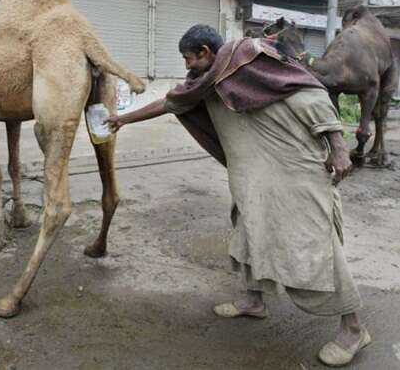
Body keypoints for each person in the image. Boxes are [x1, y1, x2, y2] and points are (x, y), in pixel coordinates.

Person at [106, 24, 370, 367]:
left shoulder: (251, 60)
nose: (186, 67)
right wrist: (122, 120)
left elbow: (310, 93)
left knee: (314, 244)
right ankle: (253, 301)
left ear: (205, 51)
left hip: (293, 169)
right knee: (247, 231)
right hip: (253, 176)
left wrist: (338, 147)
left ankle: (353, 329)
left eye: (188, 59)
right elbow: (168, 104)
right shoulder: (204, 82)